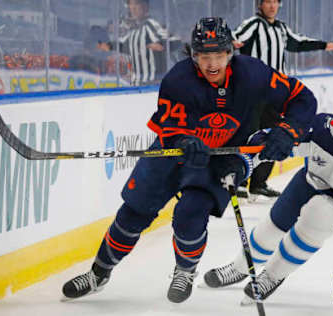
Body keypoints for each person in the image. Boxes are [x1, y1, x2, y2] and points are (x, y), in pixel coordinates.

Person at [61, 17, 317, 304]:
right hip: (173, 154)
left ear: (230, 52)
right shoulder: (178, 80)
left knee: (191, 214)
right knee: (133, 214)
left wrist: (288, 130)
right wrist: (183, 140)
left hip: (220, 159)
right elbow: (169, 130)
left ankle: (185, 270)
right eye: (204, 56)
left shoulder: (253, 74)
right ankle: (99, 273)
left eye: (218, 55)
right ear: (194, 55)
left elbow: (302, 99)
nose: (212, 64)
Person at [204, 102, 333, 313]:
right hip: (309, 182)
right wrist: (245, 160)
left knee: (319, 216)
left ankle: (273, 275)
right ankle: (240, 267)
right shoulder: (325, 129)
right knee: (270, 230)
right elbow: (277, 140)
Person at [233, 0, 333, 200]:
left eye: (275, 2)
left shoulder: (282, 29)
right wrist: (228, 42)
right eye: (267, 2)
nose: (272, 6)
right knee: (248, 132)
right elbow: (235, 37)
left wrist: (325, 45)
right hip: (252, 90)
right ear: (260, 5)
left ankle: (258, 183)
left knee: (274, 134)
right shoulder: (253, 24)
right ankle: (240, 180)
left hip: (277, 93)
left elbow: (299, 42)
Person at [120, 0, 178, 85]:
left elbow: (175, 41)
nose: (133, 8)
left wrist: (162, 45)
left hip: (152, 86)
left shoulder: (151, 25)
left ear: (145, 7)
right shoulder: (132, 30)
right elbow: (122, 47)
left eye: (136, 4)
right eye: (130, 4)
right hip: (135, 86)